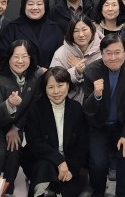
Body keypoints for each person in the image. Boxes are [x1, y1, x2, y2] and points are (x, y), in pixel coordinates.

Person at [82, 33, 125, 197]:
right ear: (101, 54)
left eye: (117, 52)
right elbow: (88, 109)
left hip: (123, 123)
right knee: (98, 164)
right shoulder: (91, 71)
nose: (113, 58)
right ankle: (98, 192)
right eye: (108, 53)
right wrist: (96, 95)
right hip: (99, 124)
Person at [0, 39, 44, 193]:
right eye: (15, 56)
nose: (20, 61)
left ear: (31, 58)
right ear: (8, 57)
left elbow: (32, 107)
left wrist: (16, 128)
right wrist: (9, 104)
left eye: (25, 56)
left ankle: (8, 190)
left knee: (15, 149)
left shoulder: (37, 74)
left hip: (18, 123)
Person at [25, 67, 89, 197]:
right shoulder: (36, 108)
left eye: (60, 85)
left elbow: (82, 145)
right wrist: (59, 161)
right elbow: (34, 143)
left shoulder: (76, 109)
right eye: (51, 87)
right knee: (43, 169)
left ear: (68, 85)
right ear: (45, 89)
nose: (56, 91)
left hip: (70, 163)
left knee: (68, 189)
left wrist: (70, 168)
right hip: (43, 159)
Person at [0, 0, 64, 68]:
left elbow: (61, 57)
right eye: (30, 4)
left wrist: (49, 71)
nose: (35, 7)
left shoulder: (55, 28)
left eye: (39, 4)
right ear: (24, 6)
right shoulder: (12, 27)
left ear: (45, 7)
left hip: (49, 74)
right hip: (19, 73)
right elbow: (3, 55)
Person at [50, 15, 103, 103]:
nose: (81, 35)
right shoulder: (61, 53)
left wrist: (84, 70)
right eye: (76, 31)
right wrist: (76, 71)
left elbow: (106, 80)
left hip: (97, 101)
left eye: (84, 29)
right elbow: (54, 81)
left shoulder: (103, 51)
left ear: (91, 29)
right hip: (68, 102)